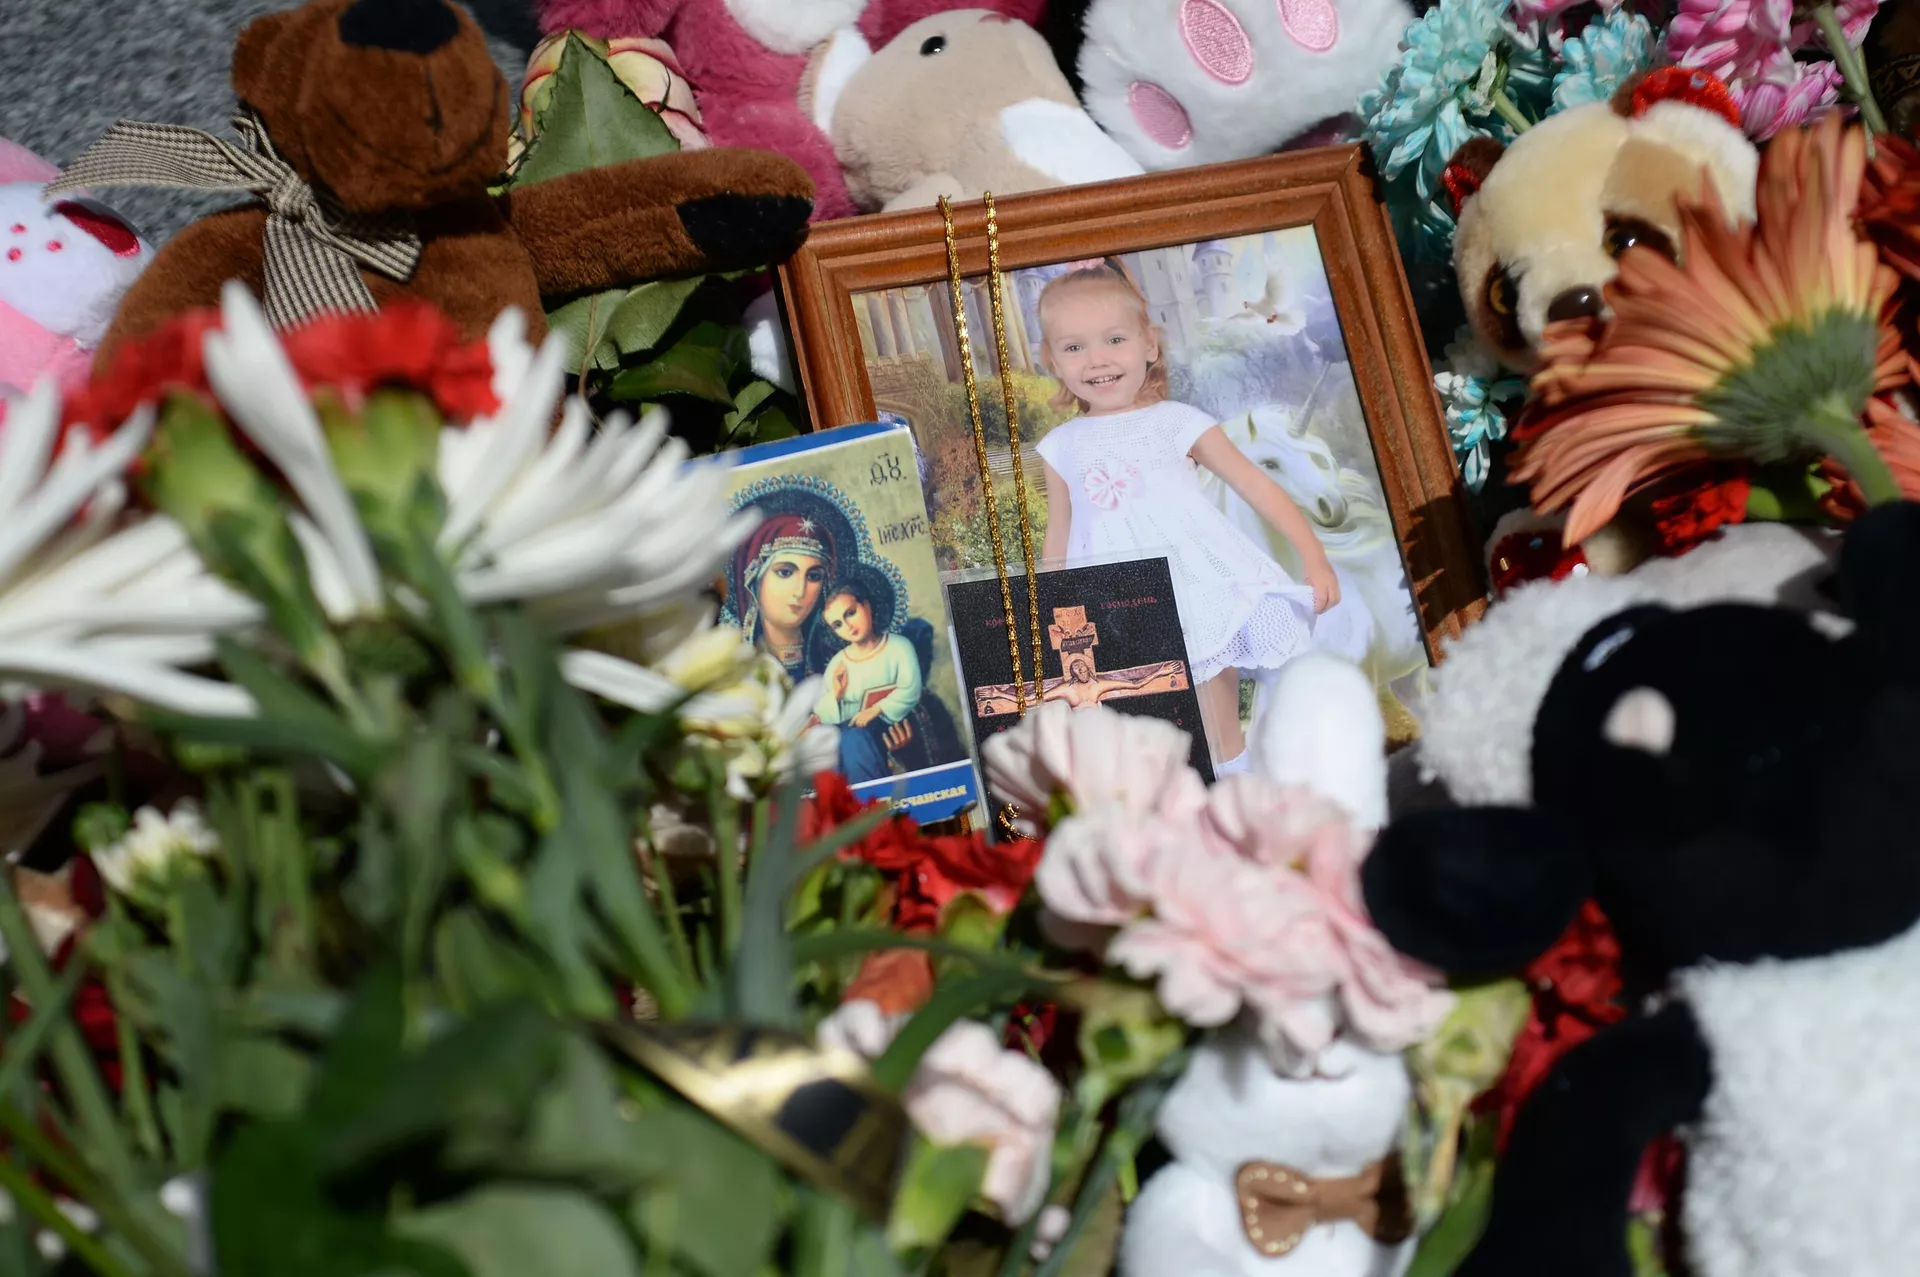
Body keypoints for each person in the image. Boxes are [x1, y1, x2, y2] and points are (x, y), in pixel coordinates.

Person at [1032, 259, 1340, 773]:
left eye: (1114, 340)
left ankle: (1240, 811)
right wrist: (1053, 615)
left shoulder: (1178, 423)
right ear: (1051, 360)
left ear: (1149, 344)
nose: (1096, 360)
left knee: (1218, 731)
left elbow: (1256, 485)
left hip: (1197, 591)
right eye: (1073, 347)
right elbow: (1059, 533)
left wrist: (1314, 557)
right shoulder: (1060, 447)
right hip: (1114, 606)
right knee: (1148, 740)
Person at [814, 577, 927, 783]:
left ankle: (874, 801)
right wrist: (836, 695)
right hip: (851, 739)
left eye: (850, 613)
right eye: (838, 624)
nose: (848, 626)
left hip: (891, 726)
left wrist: (876, 709)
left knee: (853, 739)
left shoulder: (899, 647)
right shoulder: (838, 664)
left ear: (866, 605)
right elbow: (824, 716)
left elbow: (910, 689)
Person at [730, 512, 835, 684]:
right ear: (754, 579)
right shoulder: (734, 665)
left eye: (814, 576)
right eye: (785, 572)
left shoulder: (836, 662)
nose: (800, 591)